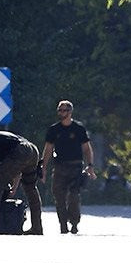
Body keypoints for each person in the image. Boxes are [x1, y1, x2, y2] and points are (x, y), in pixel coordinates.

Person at [41, 100, 97, 234]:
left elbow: (87, 149)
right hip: (59, 167)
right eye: (59, 110)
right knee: (59, 197)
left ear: (70, 112)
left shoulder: (78, 129)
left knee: (73, 197)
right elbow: (48, 149)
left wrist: (90, 165)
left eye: (64, 110)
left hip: (75, 167)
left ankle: (74, 222)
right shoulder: (54, 129)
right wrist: (43, 167)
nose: (61, 113)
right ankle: (63, 225)